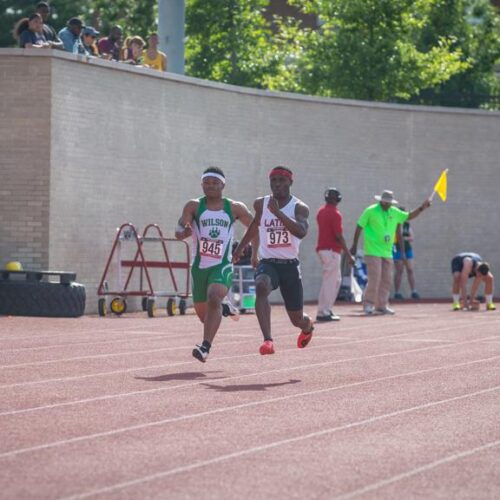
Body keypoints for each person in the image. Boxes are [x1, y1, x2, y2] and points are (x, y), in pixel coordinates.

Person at [233, 166, 314, 355]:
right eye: (274, 180)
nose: (277, 184)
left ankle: (307, 326)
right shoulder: (261, 204)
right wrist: (242, 248)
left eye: (281, 180)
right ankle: (267, 340)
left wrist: (278, 213)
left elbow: (301, 232)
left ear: (290, 182)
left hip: (290, 266)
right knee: (261, 286)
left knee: (296, 318)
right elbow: (255, 226)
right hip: (268, 262)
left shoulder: (299, 207)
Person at [175, 167, 253, 362]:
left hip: (222, 265)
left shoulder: (234, 208)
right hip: (199, 267)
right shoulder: (193, 206)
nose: (210, 186)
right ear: (201, 184)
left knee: (213, 296)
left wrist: (246, 247)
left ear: (223, 185)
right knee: (204, 317)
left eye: (214, 183)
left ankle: (205, 347)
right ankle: (224, 307)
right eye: (206, 183)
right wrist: (183, 230)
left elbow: (255, 225)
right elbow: (179, 228)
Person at [350, 190, 430, 315]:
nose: (387, 204)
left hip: (387, 251)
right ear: (380, 200)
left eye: (389, 202)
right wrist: (354, 245)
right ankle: (368, 304)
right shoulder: (370, 210)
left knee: (387, 279)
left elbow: (408, 216)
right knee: (374, 278)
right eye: (385, 202)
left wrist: (422, 208)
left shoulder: (394, 211)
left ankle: (381, 305)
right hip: (372, 250)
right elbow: (359, 226)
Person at [315, 187, 354, 321]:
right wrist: (349, 255)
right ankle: (323, 311)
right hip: (331, 250)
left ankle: (327, 309)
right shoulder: (335, 214)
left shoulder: (321, 211)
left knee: (335, 280)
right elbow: (338, 236)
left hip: (325, 250)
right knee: (330, 281)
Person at [393, 212, 420, 300]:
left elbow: (412, 237)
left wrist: (405, 238)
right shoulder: (394, 224)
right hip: (397, 250)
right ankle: (397, 292)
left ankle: (414, 291)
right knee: (399, 270)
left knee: (410, 269)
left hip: (407, 249)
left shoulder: (406, 225)